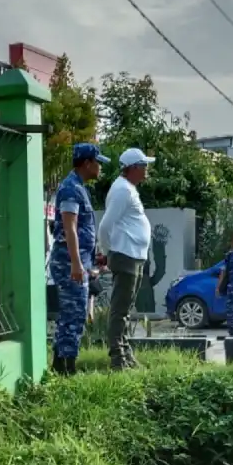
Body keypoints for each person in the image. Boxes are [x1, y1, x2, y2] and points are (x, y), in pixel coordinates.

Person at [49, 142, 108, 375]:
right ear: (87, 163)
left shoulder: (77, 186)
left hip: (78, 260)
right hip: (69, 262)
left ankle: (60, 366)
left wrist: (92, 257)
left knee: (71, 314)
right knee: (74, 315)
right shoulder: (71, 188)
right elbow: (69, 226)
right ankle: (67, 369)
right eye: (98, 163)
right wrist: (76, 262)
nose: (100, 168)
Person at [99, 147, 155, 370]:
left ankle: (124, 352)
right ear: (133, 168)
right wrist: (107, 252)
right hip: (125, 256)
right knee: (120, 310)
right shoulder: (122, 190)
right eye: (144, 166)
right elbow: (105, 226)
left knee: (125, 309)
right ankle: (117, 358)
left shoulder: (128, 188)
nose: (147, 170)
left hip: (133, 256)